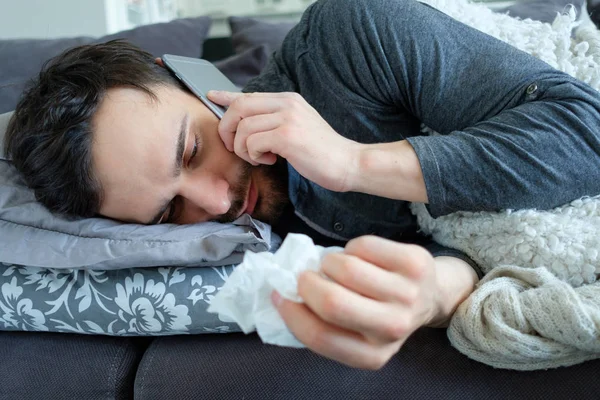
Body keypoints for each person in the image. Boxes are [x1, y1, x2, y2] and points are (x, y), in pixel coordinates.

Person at [5, 0, 600, 370]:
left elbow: (584, 129)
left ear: (186, 77)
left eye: (190, 150)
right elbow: (453, 251)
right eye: (169, 212)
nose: (217, 204)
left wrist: (351, 163)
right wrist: (438, 293)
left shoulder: (348, 36)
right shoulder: (258, 245)